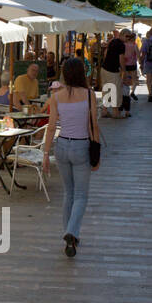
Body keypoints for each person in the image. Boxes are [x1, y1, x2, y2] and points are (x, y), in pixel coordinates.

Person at [41, 57, 102, 258]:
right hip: (81, 145)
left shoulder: (56, 96)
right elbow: (93, 124)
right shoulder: (89, 94)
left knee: (69, 193)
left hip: (62, 146)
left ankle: (70, 236)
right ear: (82, 73)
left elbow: (51, 128)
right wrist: (97, 153)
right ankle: (72, 232)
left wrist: (45, 153)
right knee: (81, 195)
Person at [99, 31, 126, 118]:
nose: (128, 39)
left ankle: (104, 111)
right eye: (127, 36)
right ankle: (115, 112)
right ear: (122, 35)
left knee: (106, 89)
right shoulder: (121, 45)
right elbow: (121, 59)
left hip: (104, 68)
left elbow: (105, 53)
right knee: (115, 90)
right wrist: (123, 70)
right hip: (113, 70)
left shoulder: (112, 41)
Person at [121, 30, 139, 111]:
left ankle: (125, 93)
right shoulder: (134, 45)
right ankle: (132, 92)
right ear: (134, 38)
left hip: (125, 65)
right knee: (134, 80)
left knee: (125, 80)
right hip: (133, 65)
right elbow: (138, 55)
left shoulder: (124, 45)